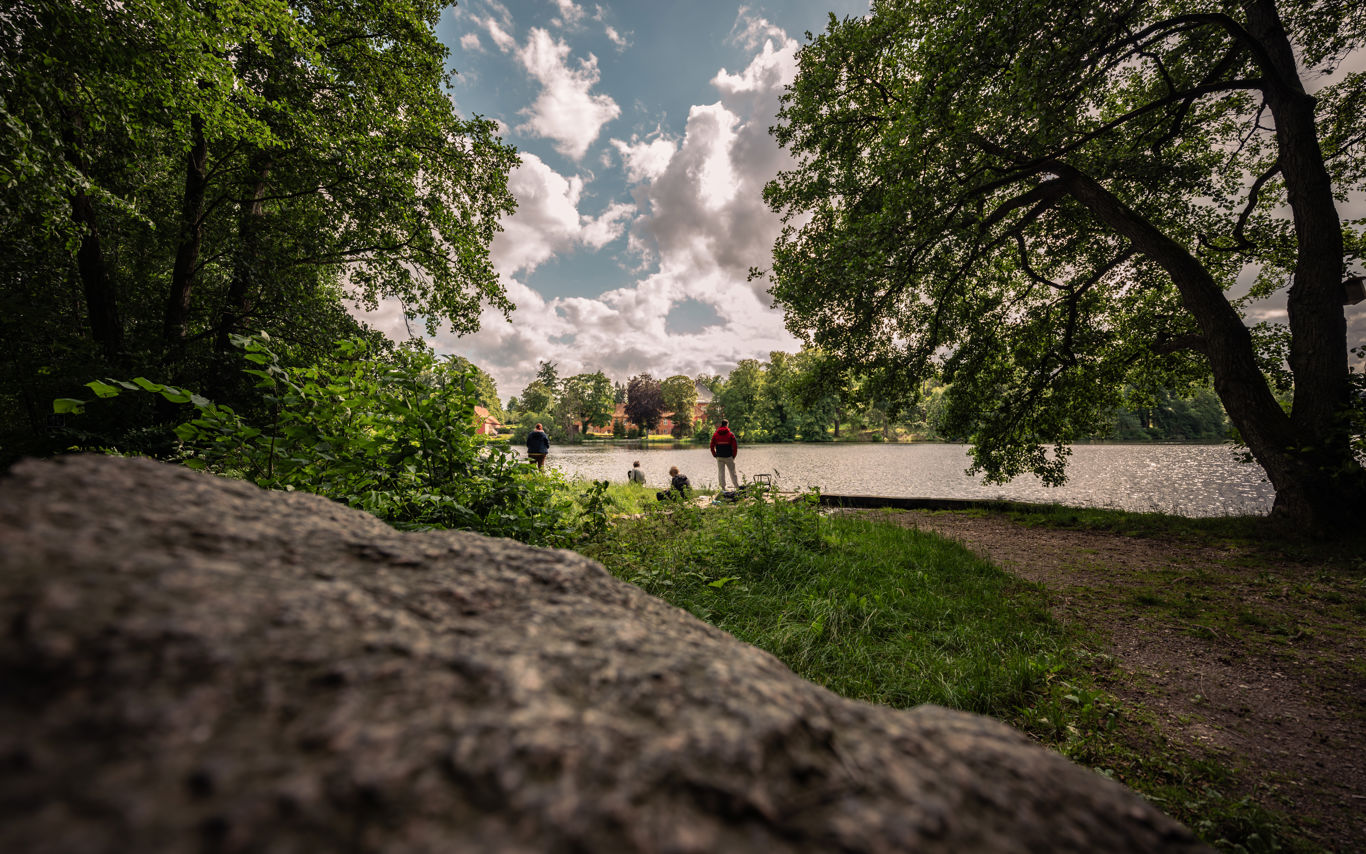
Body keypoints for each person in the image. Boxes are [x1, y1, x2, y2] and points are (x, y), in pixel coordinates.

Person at [710, 419, 739, 491]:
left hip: (719, 456)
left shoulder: (715, 434)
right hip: (729, 456)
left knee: (721, 473)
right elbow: (735, 447)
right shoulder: (730, 434)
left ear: (721, 425)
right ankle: (737, 487)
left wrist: (715, 454)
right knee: (732, 472)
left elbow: (711, 446)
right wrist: (733, 456)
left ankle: (723, 489)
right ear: (727, 424)